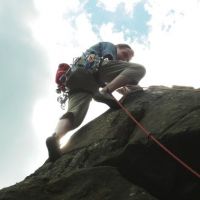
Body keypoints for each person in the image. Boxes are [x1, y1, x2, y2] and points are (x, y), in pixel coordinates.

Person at [46, 42, 146, 162]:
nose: (125, 59)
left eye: (127, 59)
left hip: (77, 80)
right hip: (91, 68)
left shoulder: (103, 59)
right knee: (139, 69)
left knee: (75, 114)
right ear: (118, 47)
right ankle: (105, 92)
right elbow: (109, 59)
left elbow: (113, 74)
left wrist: (124, 85)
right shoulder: (109, 46)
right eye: (124, 54)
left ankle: (55, 139)